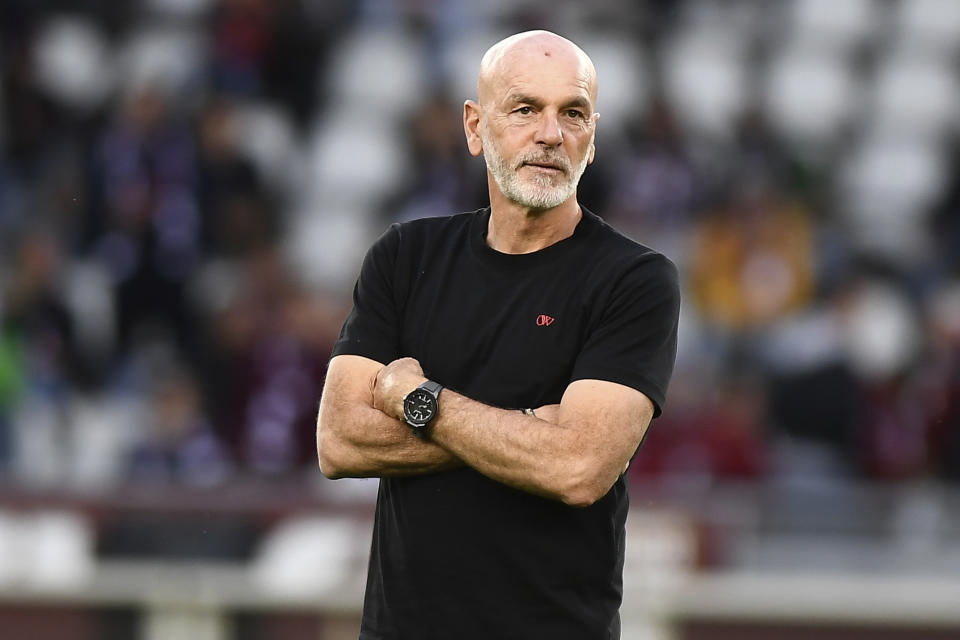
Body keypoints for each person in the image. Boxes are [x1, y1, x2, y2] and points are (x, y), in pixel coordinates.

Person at [316, 30, 680, 640]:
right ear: (474, 126)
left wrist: (418, 399)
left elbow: (579, 469)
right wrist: (531, 428)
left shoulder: (635, 280)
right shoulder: (405, 257)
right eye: (524, 109)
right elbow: (339, 442)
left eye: (573, 113)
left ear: (592, 140)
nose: (549, 134)